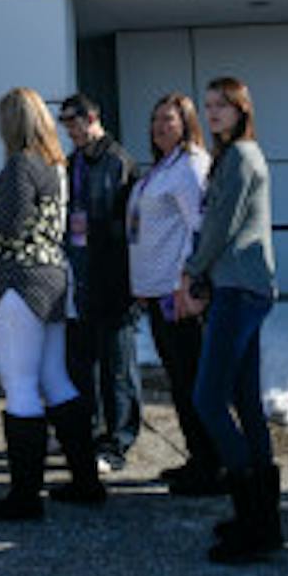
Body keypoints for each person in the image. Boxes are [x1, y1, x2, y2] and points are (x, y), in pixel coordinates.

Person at [0, 86, 101, 520]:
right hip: (52, 279)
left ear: (11, 123)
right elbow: (32, 216)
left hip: (16, 282)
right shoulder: (55, 164)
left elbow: (7, 231)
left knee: (19, 384)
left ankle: (24, 496)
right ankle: (85, 480)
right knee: (56, 379)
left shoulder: (20, 163)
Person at [181, 77, 280, 564]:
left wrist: (192, 271)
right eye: (209, 105)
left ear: (243, 109)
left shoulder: (241, 156)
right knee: (244, 401)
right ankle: (262, 521)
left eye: (224, 105)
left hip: (240, 288)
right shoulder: (233, 156)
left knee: (207, 398)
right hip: (241, 286)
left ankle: (254, 516)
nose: (214, 112)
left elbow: (221, 223)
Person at [127, 92, 218, 495]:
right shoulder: (161, 168)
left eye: (169, 119)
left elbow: (199, 226)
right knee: (180, 381)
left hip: (180, 294)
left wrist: (188, 281)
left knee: (195, 380)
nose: (160, 126)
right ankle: (196, 458)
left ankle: (213, 465)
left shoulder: (191, 165)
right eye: (155, 119)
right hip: (157, 293)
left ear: (187, 123)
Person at [58, 93, 142, 472]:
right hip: (81, 277)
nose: (69, 130)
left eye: (73, 121)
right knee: (83, 364)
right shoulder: (73, 163)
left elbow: (129, 224)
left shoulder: (118, 162)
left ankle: (119, 440)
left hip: (114, 278)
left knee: (117, 367)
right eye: (64, 123)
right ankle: (90, 433)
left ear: (92, 117)